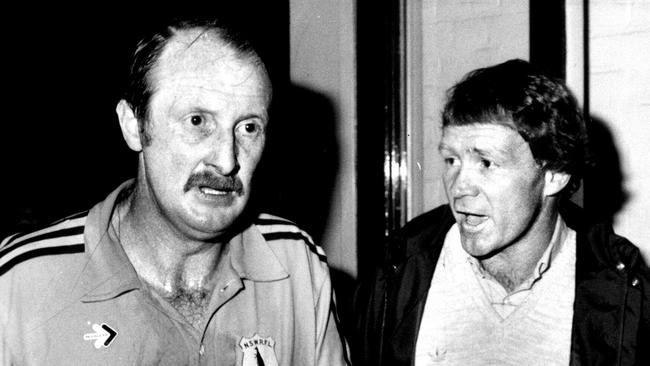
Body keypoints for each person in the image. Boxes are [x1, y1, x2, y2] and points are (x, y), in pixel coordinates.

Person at [1, 17, 349, 365]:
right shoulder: (21, 283)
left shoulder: (295, 265)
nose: (227, 161)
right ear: (135, 126)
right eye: (198, 121)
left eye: (248, 127)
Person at [353, 59, 650, 366]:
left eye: (486, 163)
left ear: (554, 175)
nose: (460, 188)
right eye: (452, 160)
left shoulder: (622, 289)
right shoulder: (396, 270)